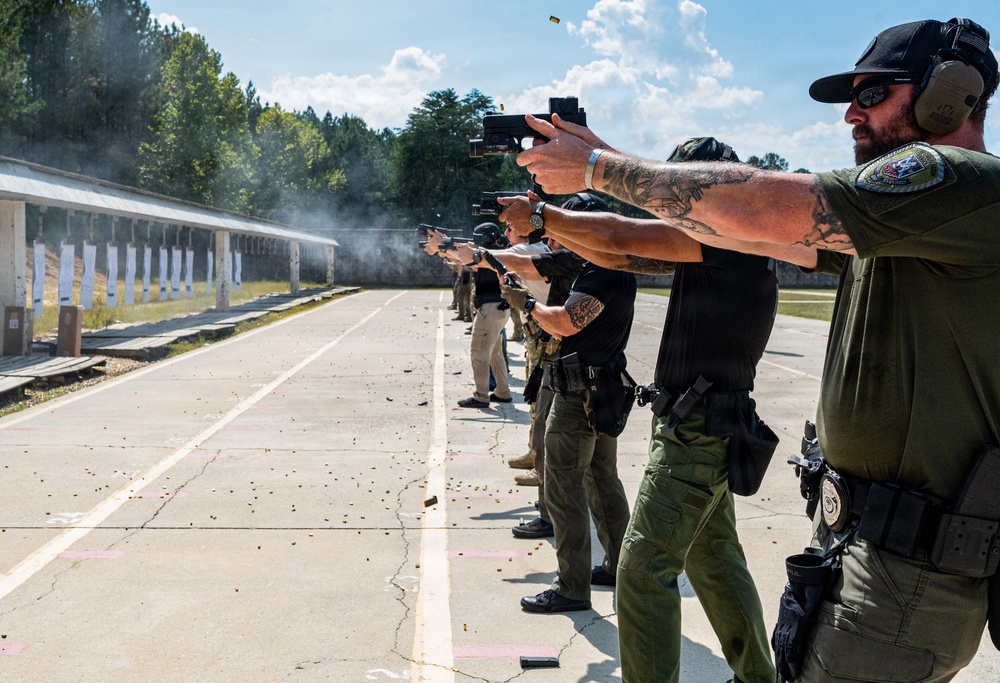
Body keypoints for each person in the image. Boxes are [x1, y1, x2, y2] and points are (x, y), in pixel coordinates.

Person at [507, 16, 1000, 682]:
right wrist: (599, 164)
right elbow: (722, 228)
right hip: (868, 553)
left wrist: (595, 168)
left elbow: (761, 212)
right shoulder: (913, 222)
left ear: (951, 93)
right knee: (715, 568)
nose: (852, 113)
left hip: (905, 579)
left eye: (875, 92)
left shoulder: (956, 181)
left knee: (646, 567)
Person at [502, 139, 778, 683]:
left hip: (697, 431)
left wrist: (541, 213)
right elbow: (616, 248)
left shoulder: (726, 236)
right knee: (715, 561)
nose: (674, 197)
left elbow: (618, 238)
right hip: (703, 423)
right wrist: (568, 196)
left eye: (684, 184)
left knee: (642, 574)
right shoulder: (728, 237)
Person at [502, 224, 637, 614]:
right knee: (602, 480)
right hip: (600, 392)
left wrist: (526, 304)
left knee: (564, 490)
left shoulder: (599, 271)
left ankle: (571, 587)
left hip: (580, 394)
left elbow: (564, 323)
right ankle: (615, 565)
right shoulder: (613, 267)